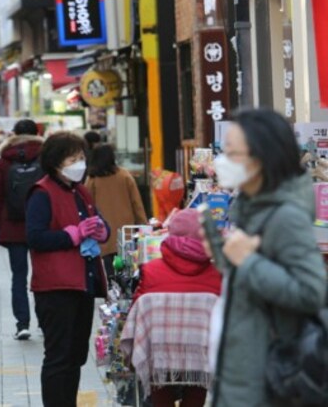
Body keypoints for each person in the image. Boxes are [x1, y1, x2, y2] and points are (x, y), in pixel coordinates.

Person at [208, 109, 326, 407]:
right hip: (244, 376)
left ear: (260, 158)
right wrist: (226, 257)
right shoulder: (252, 209)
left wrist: (248, 261)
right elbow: (255, 286)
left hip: (268, 385)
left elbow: (311, 291)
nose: (220, 161)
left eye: (231, 153)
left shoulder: (285, 217)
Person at [25, 132, 109, 407]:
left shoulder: (80, 190)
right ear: (56, 162)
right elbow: (35, 237)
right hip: (55, 287)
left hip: (81, 283)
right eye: (73, 158)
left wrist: (101, 230)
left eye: (82, 157)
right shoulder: (42, 192)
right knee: (59, 357)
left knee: (75, 356)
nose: (79, 164)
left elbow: (98, 220)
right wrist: (71, 235)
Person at [130, 208, 221, 407]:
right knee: (198, 384)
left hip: (159, 353)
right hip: (200, 355)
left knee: (159, 383)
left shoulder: (151, 270)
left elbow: (137, 311)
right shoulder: (217, 275)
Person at [0, 119, 44, 340]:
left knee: (18, 277)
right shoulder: (45, 156)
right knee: (42, 274)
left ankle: (22, 324)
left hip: (13, 227)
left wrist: (2, 225)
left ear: (14, 134)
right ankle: (43, 320)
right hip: (42, 226)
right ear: (37, 133)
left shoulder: (4, 160)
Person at [85, 144, 148, 278]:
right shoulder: (124, 175)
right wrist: (144, 227)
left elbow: (87, 206)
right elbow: (137, 204)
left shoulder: (92, 180)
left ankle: (113, 292)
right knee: (129, 270)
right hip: (126, 233)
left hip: (103, 236)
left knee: (110, 273)